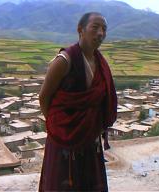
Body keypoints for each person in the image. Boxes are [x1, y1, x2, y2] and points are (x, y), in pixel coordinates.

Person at [38, 12, 117, 191]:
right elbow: (44, 97)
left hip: (90, 137)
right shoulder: (64, 61)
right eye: (95, 27)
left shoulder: (100, 62)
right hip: (63, 137)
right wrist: (58, 126)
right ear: (80, 30)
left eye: (104, 29)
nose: (100, 33)